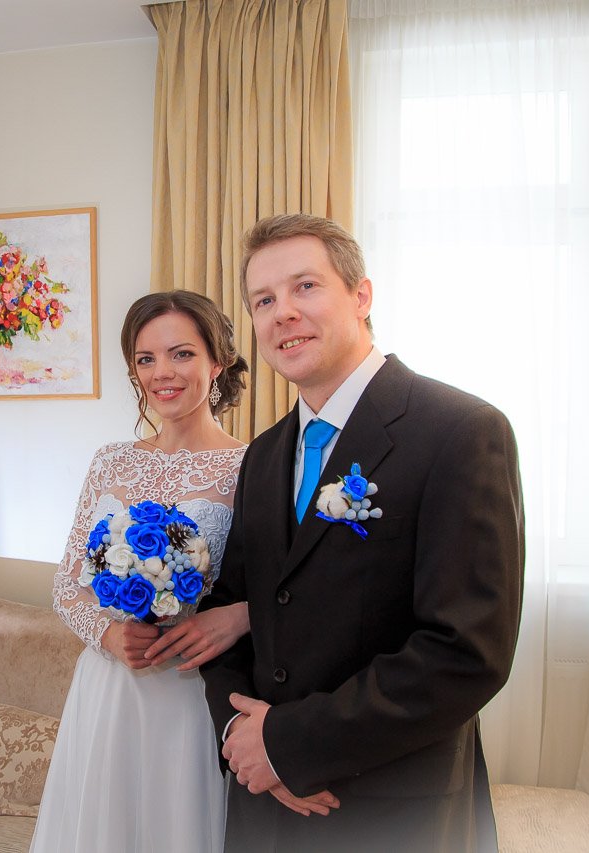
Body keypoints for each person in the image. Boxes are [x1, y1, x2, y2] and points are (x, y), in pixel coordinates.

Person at [199, 213, 525, 852]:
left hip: (389, 808)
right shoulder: (263, 455)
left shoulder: (460, 431)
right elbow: (231, 610)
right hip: (263, 807)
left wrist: (290, 746)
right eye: (263, 300)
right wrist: (239, 737)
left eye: (305, 287)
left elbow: (466, 651)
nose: (283, 313)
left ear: (361, 296)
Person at [31, 290, 255, 853]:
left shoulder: (250, 466)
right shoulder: (111, 460)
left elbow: (274, 592)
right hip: (107, 689)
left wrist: (230, 618)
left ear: (217, 362)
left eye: (182, 354)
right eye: (146, 359)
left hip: (189, 689)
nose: (162, 374)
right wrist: (108, 634)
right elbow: (67, 584)